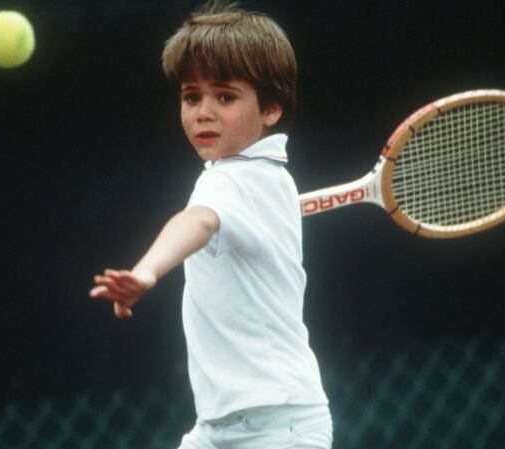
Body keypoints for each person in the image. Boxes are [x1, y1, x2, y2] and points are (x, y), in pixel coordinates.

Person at [89, 1, 332, 447]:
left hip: (277, 428)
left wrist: (146, 272)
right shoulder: (266, 176)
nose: (203, 112)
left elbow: (196, 222)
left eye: (225, 96)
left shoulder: (233, 180)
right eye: (191, 96)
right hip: (218, 428)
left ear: (271, 109)